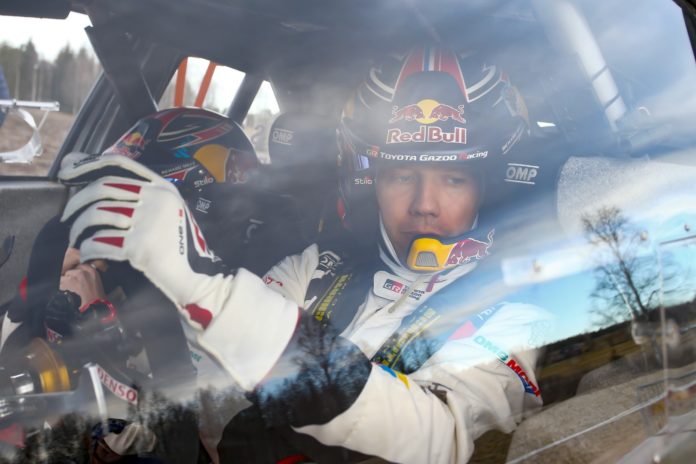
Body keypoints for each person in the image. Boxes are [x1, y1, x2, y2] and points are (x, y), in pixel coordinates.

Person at [59, 46, 553, 463]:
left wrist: (209, 289)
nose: (424, 204)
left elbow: (439, 440)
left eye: (454, 178)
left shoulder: (515, 306)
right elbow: (211, 385)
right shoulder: (318, 267)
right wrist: (110, 349)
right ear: (371, 182)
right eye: (402, 175)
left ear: (489, 186)